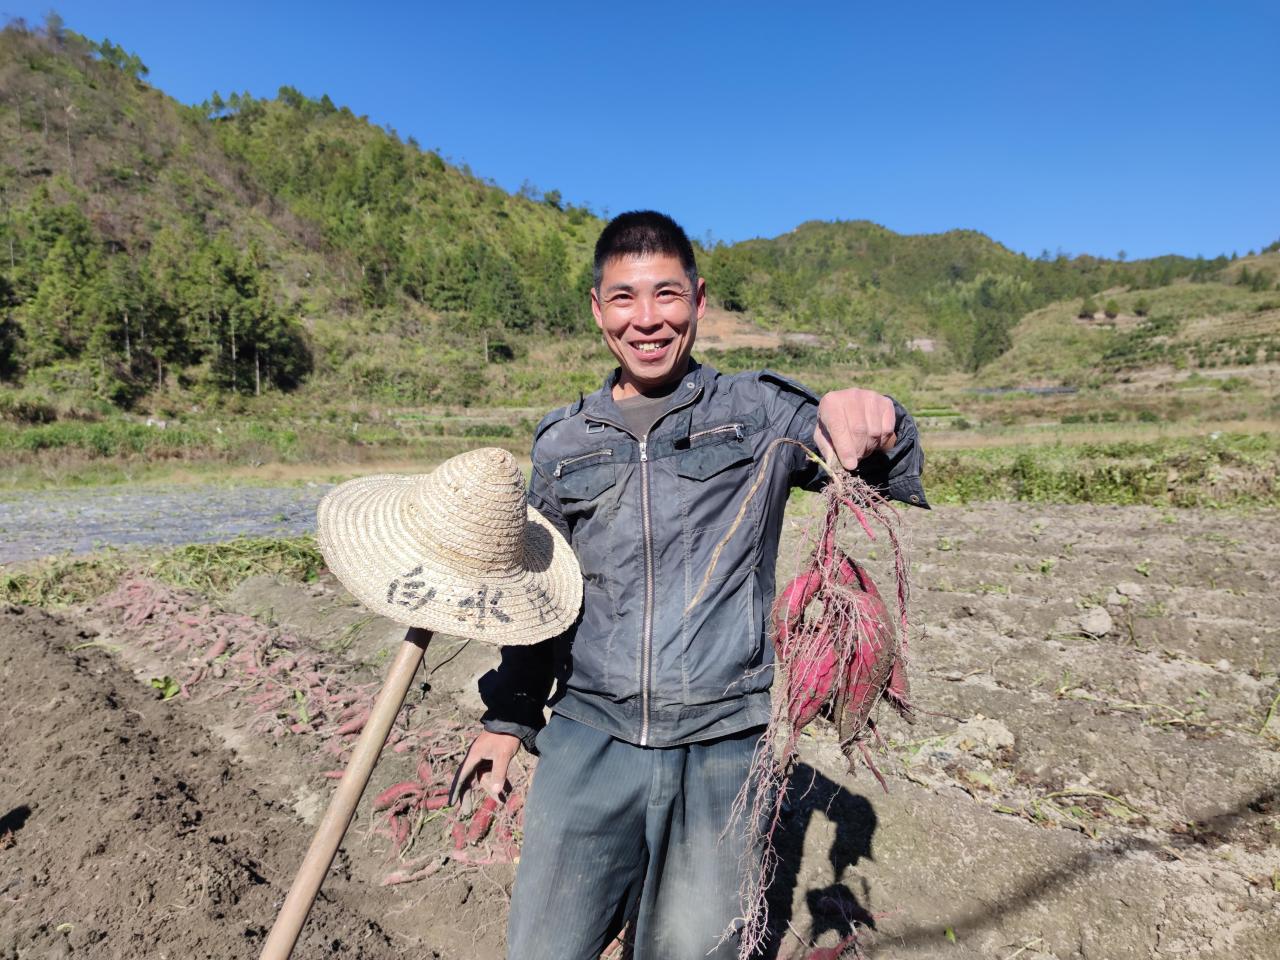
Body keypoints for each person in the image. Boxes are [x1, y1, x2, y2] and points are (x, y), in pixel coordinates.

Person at [451, 211, 928, 959]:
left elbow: (874, 460)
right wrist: (507, 717)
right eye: (624, 298)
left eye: (666, 294)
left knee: (693, 950)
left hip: (723, 748)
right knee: (544, 946)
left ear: (699, 300)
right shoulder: (563, 441)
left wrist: (881, 418)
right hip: (589, 736)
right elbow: (540, 597)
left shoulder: (758, 410)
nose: (646, 319)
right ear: (597, 309)